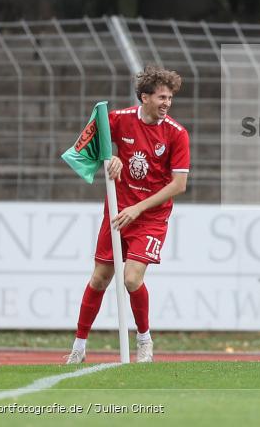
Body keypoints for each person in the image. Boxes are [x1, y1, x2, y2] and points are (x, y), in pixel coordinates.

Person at [66, 66, 190, 364]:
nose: (166, 103)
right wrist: (112, 155)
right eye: (161, 97)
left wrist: (138, 208)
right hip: (118, 211)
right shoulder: (117, 119)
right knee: (99, 278)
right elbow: (92, 145)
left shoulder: (176, 133)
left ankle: (144, 339)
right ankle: (79, 347)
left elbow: (179, 184)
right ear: (144, 97)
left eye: (170, 98)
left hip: (149, 216)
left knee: (131, 278)